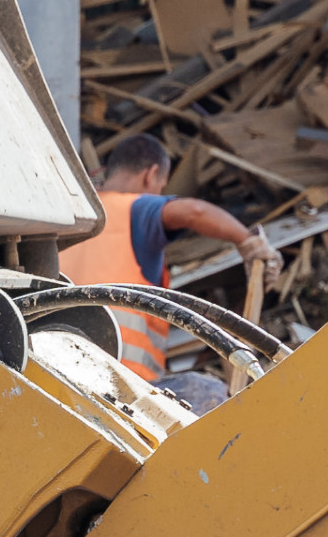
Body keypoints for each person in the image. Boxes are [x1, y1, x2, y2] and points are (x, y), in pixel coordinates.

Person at [58, 131, 273, 407]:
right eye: (161, 185)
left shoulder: (71, 217)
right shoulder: (135, 209)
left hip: (56, 376)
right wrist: (248, 242)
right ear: (152, 174)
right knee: (209, 394)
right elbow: (194, 212)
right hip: (120, 388)